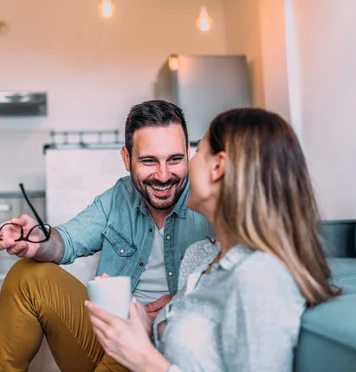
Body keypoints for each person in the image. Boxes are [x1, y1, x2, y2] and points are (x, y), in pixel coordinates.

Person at [85, 107, 341, 372]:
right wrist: (145, 326)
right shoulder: (201, 256)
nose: (176, 170)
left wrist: (144, 360)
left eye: (196, 152)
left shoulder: (260, 276)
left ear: (217, 167)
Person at [0, 100, 213, 372]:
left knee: (131, 330)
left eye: (174, 159)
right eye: (149, 161)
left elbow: (238, 275)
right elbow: (65, 241)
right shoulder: (118, 198)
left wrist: (178, 302)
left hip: (169, 348)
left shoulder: (211, 199)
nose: (163, 175)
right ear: (126, 158)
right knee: (27, 277)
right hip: (113, 335)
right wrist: (37, 239)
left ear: (188, 153)